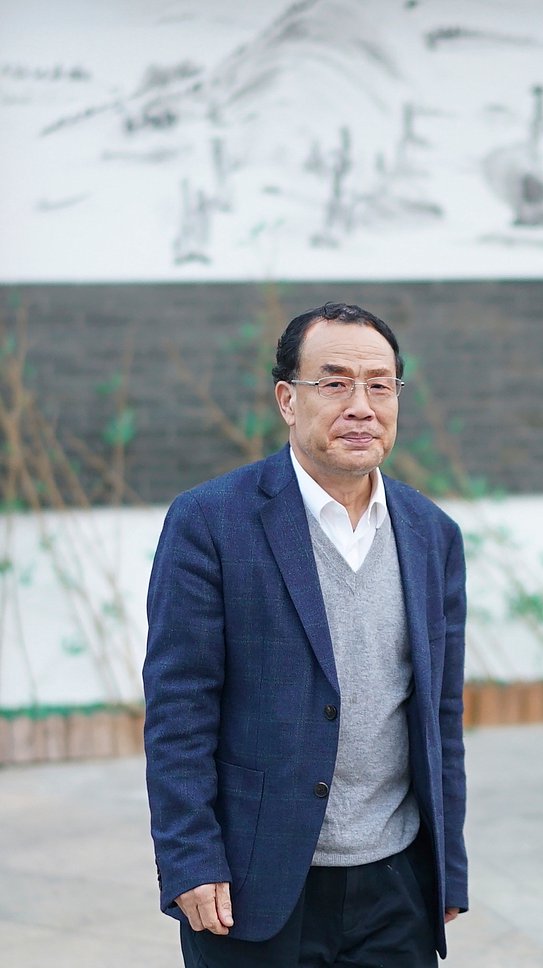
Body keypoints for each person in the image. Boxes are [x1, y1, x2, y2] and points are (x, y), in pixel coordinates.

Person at [143, 302, 467, 967]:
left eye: (380, 384)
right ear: (288, 400)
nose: (361, 405)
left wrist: (448, 867)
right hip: (252, 887)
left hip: (395, 884)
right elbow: (180, 707)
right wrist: (190, 858)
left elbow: (441, 715)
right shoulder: (212, 522)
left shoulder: (432, 535)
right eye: (335, 382)